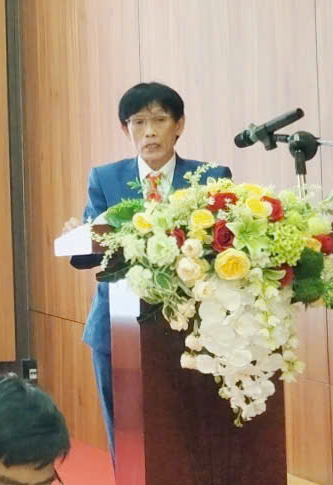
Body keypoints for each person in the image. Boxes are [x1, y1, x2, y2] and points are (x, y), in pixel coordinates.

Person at [64, 82, 233, 458]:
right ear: (125, 129)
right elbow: (93, 254)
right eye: (138, 122)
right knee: (126, 439)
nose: (150, 132)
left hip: (193, 330)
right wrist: (78, 237)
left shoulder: (210, 176)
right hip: (116, 328)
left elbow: (224, 246)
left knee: (193, 436)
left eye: (159, 120)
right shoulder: (105, 178)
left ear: (179, 124)